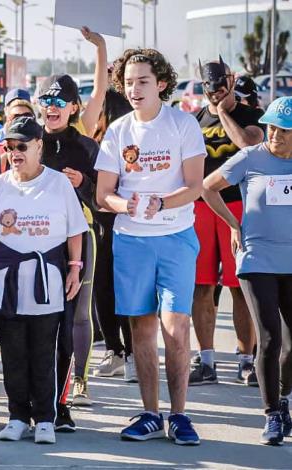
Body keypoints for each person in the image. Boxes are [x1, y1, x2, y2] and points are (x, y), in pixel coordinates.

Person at [95, 48, 206, 446]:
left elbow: (195, 185)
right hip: (131, 241)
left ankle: (180, 415)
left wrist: (162, 203)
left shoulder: (182, 124)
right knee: (141, 329)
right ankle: (150, 414)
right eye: (128, 83)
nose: (135, 89)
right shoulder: (118, 130)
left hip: (176, 237)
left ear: (161, 83)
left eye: (143, 81)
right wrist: (129, 205)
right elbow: (103, 194)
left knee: (176, 328)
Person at [0, 116, 87, 444]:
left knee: (44, 351)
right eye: (10, 146)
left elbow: (75, 231)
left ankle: (46, 417)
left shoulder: (59, 184)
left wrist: (75, 269)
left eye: (22, 146)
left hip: (47, 281)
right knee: (13, 352)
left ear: (39, 146)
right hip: (7, 283)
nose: (15, 152)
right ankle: (17, 415)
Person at [201, 96, 292, 445]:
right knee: (268, 337)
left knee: (291, 344)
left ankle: (283, 400)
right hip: (257, 259)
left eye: (283, 130)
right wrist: (232, 224)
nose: (274, 135)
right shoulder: (251, 158)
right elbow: (208, 187)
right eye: (270, 127)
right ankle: (271, 414)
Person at [189, 58, 264, 387]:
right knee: (201, 285)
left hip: (239, 206)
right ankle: (206, 359)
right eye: (210, 90)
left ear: (231, 82)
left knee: (240, 287)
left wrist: (222, 112)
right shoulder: (194, 120)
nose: (215, 94)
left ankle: (246, 358)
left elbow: (248, 145)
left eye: (221, 88)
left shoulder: (251, 116)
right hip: (203, 208)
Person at [37, 74, 99, 422]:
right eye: (46, 100)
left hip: (81, 237)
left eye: (60, 102)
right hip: (36, 239)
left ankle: (78, 381)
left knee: (77, 314)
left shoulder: (86, 146)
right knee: (38, 319)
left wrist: (84, 183)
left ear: (74, 107)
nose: (52, 107)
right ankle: (38, 394)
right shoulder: (30, 140)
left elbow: (102, 200)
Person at [92, 88, 136, 381]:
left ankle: (132, 353)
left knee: (125, 291)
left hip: (127, 224)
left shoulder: (128, 141)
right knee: (102, 290)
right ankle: (114, 351)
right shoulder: (92, 141)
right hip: (99, 225)